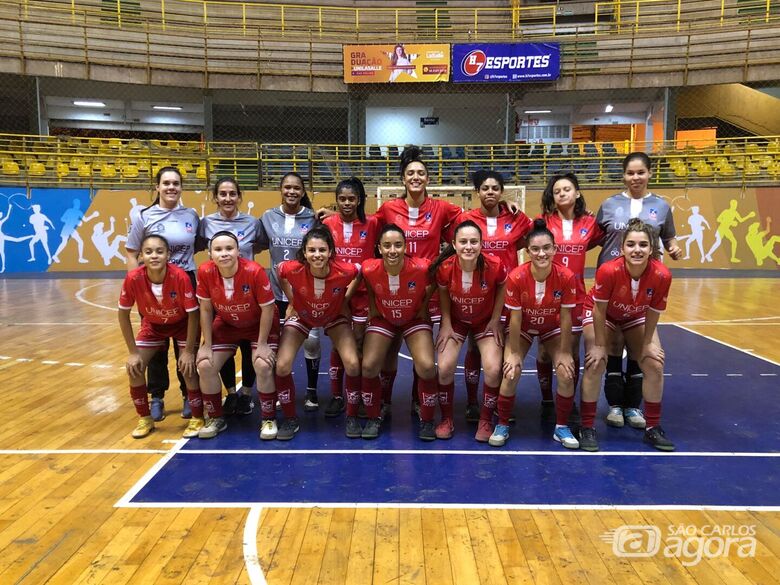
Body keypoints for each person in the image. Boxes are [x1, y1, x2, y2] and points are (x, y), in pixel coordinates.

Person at [372, 145, 462, 413]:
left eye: (421, 173)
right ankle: (385, 401)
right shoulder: (388, 208)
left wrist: (502, 205)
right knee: (390, 351)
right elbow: (367, 225)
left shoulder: (442, 208)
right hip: (391, 290)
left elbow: (470, 222)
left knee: (420, 353)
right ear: (403, 178)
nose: (416, 177)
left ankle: (416, 399)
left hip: (426, 292)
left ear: (428, 179)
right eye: (410, 173)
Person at [596, 152, 681, 430]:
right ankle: (615, 406)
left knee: (641, 350)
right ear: (623, 175)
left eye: (641, 172)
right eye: (631, 173)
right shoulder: (609, 205)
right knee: (612, 345)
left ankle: (633, 406)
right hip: (611, 286)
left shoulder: (661, 205)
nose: (636, 177)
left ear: (649, 174)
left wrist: (673, 247)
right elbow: (595, 235)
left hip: (642, 287)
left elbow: (668, 235)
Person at [579, 218, 674, 452]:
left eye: (643, 245)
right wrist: (600, 344)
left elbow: (654, 311)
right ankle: (587, 426)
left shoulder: (662, 275)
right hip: (604, 315)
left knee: (654, 363)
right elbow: (599, 310)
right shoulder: (608, 270)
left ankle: (653, 427)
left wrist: (648, 342)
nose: (637, 250)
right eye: (631, 244)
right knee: (596, 361)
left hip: (635, 315)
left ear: (652, 249)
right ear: (622, 248)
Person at [491, 219, 578, 448]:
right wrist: (513, 354)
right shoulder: (517, 277)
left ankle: (561, 427)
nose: (542, 253)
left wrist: (567, 352)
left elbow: (567, 318)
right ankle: (502, 423)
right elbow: (516, 319)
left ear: (554, 249)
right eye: (536, 249)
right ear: (527, 251)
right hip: (524, 327)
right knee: (511, 370)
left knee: (567, 372)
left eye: (546, 248)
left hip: (552, 326)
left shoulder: (567, 276)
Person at [455, 170, 533, 423]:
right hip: (476, 295)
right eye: (485, 188)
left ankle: (498, 403)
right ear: (477, 192)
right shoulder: (466, 219)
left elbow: (533, 234)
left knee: (498, 350)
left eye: (495, 188)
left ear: (501, 192)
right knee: (474, 348)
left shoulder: (514, 217)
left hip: (506, 293)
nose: (490, 192)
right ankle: (471, 403)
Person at [125, 167, 199, 421]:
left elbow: (197, 245)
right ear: (156, 187)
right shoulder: (144, 216)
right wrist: (137, 284)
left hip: (185, 279)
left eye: (176, 183)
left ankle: (188, 395)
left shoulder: (191, 214)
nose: (171, 187)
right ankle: (156, 396)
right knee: (156, 343)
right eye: (166, 183)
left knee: (186, 344)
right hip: (153, 283)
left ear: (181, 187)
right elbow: (131, 251)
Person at [275, 226, 362, 440]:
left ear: (331, 251)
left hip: (333, 315)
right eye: (312, 250)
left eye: (322, 250)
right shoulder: (292, 268)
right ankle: (290, 418)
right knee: (282, 364)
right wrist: (292, 300)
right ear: (304, 252)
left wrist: (345, 299)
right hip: (303, 315)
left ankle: (351, 416)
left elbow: (360, 273)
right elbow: (279, 272)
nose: (317, 255)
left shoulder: (344, 270)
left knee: (352, 363)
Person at [195, 232, 279, 440]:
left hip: (258, 323)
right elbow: (205, 309)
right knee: (205, 364)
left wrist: (261, 344)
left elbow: (268, 309)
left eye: (229, 249)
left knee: (262, 364)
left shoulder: (254, 271)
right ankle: (216, 417)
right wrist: (205, 344)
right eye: (218, 249)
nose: (224, 254)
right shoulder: (205, 272)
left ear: (238, 251)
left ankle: (268, 418)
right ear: (210, 254)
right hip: (227, 323)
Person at [117, 234, 200, 438]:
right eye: (148, 252)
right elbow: (123, 314)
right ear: (141, 256)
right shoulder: (133, 278)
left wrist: (189, 351)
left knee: (188, 368)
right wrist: (132, 352)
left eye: (159, 251)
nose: (154, 256)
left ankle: (197, 417)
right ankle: (145, 419)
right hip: (153, 325)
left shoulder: (180, 277)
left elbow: (194, 315)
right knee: (135, 368)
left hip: (182, 324)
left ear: (168, 255)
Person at [536, 172, 604, 421]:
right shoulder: (542, 222)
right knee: (544, 350)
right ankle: (546, 399)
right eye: (557, 191)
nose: (562, 193)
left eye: (567, 189)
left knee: (572, 350)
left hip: (575, 296)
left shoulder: (590, 224)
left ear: (577, 193)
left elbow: (604, 241)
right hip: (545, 296)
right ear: (552, 197)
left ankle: (569, 401)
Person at [361, 224, 438, 440]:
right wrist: (374, 308)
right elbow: (367, 284)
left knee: (426, 366)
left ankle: (427, 419)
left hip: (413, 319)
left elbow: (436, 282)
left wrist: (423, 308)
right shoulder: (369, 268)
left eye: (397, 245)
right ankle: (374, 415)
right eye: (387, 246)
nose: (392, 250)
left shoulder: (422, 267)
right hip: (385, 318)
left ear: (405, 246)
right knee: (368, 367)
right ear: (379, 248)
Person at [432, 220, 507, 440]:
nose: (468, 246)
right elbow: (443, 295)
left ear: (482, 244)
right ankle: (446, 419)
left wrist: (495, 319)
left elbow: (503, 286)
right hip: (456, 321)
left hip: (484, 320)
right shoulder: (445, 268)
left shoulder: (495, 265)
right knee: (444, 366)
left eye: (474, 242)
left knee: (493, 369)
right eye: (463, 242)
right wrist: (445, 323)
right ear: (454, 245)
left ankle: (485, 420)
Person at [255, 172, 323, 413]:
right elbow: (259, 244)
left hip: (304, 293)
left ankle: (312, 391)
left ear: (303, 192)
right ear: (280, 190)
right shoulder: (267, 217)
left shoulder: (313, 218)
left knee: (312, 341)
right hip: (275, 292)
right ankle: (275, 390)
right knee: (276, 344)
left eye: (297, 188)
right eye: (287, 187)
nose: (292, 192)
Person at [198, 177, 261, 417]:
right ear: (216, 197)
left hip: (246, 292)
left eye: (232, 193)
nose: (227, 198)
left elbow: (261, 245)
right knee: (221, 343)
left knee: (247, 347)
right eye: (222, 194)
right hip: (219, 294)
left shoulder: (252, 223)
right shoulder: (206, 223)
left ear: (239, 196)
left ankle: (246, 393)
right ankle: (230, 393)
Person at [321, 177, 380, 417]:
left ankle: (361, 396)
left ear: (359, 200)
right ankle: (337, 395)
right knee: (338, 344)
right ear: (336, 200)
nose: (347, 203)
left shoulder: (373, 223)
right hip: (336, 294)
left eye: (352, 199)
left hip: (364, 294)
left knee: (360, 344)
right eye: (342, 199)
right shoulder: (327, 224)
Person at [52, 198, 99, 264]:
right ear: (74, 204)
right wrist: (75, 221)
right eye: (77, 204)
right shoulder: (69, 210)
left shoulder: (79, 212)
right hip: (67, 228)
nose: (78, 205)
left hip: (72, 229)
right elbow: (62, 219)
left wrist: (93, 216)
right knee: (64, 242)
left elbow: (85, 220)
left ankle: (80, 258)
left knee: (80, 242)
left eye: (79, 204)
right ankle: (55, 255)